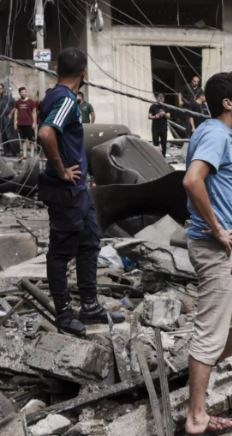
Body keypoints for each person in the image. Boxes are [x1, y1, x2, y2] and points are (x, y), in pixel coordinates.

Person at [181, 72, 232, 436]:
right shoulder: (214, 134)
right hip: (214, 247)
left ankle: (201, 396)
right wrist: (217, 229)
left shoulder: (215, 133)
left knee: (228, 332)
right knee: (211, 332)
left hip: (222, 245)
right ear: (228, 103)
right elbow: (192, 180)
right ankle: (196, 416)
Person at [37, 48, 124, 336]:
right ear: (83, 73)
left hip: (78, 189)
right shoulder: (65, 99)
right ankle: (63, 314)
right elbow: (46, 133)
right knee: (61, 252)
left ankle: (90, 307)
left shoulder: (53, 95)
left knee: (90, 241)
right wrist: (62, 170)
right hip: (66, 190)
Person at [14, 87, 38, 158]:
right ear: (20, 93)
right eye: (22, 92)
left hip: (29, 124)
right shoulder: (18, 102)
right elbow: (16, 112)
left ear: (26, 92)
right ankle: (24, 154)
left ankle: (32, 155)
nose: (23, 93)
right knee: (23, 140)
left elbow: (34, 112)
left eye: (24, 92)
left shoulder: (31, 102)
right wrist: (15, 122)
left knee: (31, 140)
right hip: (20, 124)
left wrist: (34, 122)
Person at [0, 83, 18, 157]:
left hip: (8, 118)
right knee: (3, 134)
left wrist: (11, 113)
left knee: (9, 134)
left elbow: (15, 106)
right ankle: (6, 151)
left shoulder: (9, 97)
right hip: (1, 118)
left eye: (0, 88)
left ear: (3, 89)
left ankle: (13, 151)